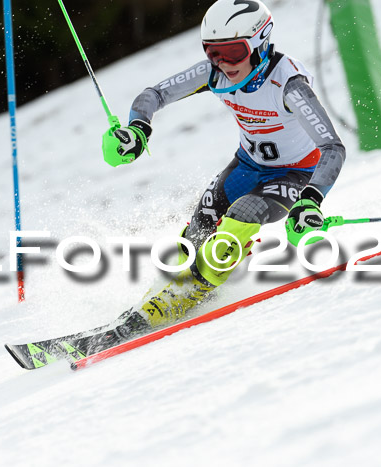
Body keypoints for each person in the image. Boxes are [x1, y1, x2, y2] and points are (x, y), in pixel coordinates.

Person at [101, 0, 346, 338]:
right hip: (248, 164)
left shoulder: (288, 85)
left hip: (295, 174)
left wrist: (311, 199)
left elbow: (332, 147)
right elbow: (154, 94)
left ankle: (195, 289)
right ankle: (163, 295)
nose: (224, 64)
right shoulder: (214, 73)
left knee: (242, 213)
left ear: (261, 42)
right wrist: (138, 127)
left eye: (233, 51)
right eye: (213, 52)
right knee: (202, 219)